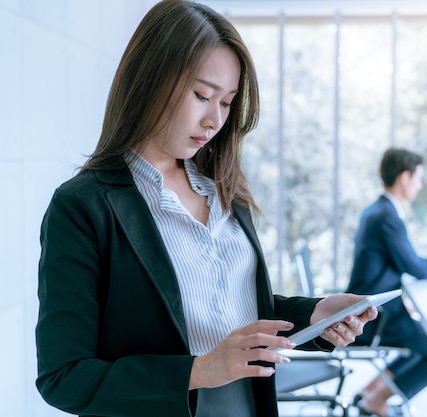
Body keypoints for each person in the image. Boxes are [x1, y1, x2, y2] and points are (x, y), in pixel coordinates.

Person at [35, 2, 377, 417]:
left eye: (228, 102)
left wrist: (313, 316)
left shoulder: (224, 190)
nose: (215, 119)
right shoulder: (83, 206)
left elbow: (229, 305)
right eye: (202, 95)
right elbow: (64, 377)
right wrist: (198, 371)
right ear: (151, 81)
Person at [347, 148, 427, 417]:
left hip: (374, 309)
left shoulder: (379, 210)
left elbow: (406, 260)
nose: (420, 184)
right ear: (405, 177)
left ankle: (370, 392)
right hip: (376, 316)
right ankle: (376, 401)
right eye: (418, 178)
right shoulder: (387, 216)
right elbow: (415, 268)